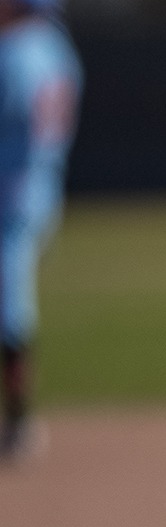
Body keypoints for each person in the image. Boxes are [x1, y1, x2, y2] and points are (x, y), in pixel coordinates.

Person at [0, 0, 75, 462]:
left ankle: (21, 422)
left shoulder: (16, 51)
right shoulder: (58, 49)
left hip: (11, 199)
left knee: (11, 310)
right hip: (43, 195)